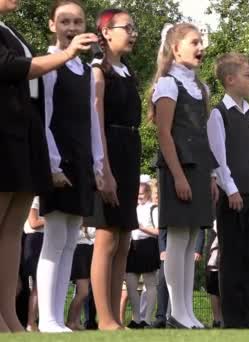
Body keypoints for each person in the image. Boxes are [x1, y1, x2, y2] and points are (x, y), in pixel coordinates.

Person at [0, 0, 96, 333]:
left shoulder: (10, 30)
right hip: (4, 137)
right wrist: (67, 55)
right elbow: (13, 69)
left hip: (22, 139)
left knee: (10, 231)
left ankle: (9, 317)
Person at [37, 0, 104, 333]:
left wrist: (98, 163)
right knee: (54, 237)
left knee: (69, 240)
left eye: (77, 21)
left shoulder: (85, 71)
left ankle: (57, 317)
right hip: (58, 161)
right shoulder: (49, 66)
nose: (72, 27)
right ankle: (46, 318)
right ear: (52, 25)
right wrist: (51, 163)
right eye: (64, 21)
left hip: (80, 163)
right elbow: (44, 118)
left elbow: (92, 120)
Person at [150, 23, 218, 329]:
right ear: (175, 48)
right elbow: (164, 134)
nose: (200, 47)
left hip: (200, 168)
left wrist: (212, 175)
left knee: (192, 242)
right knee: (177, 240)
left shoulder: (200, 87)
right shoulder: (167, 85)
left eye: (201, 42)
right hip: (179, 168)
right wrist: (177, 175)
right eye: (194, 42)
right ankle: (177, 312)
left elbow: (205, 136)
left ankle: (187, 311)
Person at [87, 8, 142, 331]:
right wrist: (103, 168)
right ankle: (104, 317)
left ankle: (115, 319)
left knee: (123, 239)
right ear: (106, 32)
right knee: (106, 237)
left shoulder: (127, 72)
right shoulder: (98, 71)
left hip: (130, 152)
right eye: (127, 27)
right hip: (109, 152)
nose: (133, 33)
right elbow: (97, 121)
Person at [207, 52, 249, 328]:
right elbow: (218, 158)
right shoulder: (219, 114)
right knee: (230, 257)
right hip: (231, 196)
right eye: (247, 75)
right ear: (230, 79)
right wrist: (230, 190)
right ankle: (232, 317)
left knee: (248, 254)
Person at [125, 182, 160, 328]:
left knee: (150, 284)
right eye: (137, 193)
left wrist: (141, 227)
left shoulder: (154, 208)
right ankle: (136, 319)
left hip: (148, 246)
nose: (139, 196)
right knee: (131, 285)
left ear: (148, 193)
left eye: (141, 193)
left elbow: (158, 232)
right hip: (133, 246)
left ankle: (147, 319)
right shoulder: (133, 208)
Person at [21, 197, 45, 331]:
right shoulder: (36, 198)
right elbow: (33, 222)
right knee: (37, 286)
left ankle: (35, 322)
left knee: (40, 286)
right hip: (35, 241)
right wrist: (54, 220)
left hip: (40, 240)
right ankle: (31, 323)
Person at [66, 227, 95, 330]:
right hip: (79, 250)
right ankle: (70, 321)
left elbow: (92, 234)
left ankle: (76, 321)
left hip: (88, 249)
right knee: (83, 292)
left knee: (84, 291)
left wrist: (87, 231)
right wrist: (86, 232)